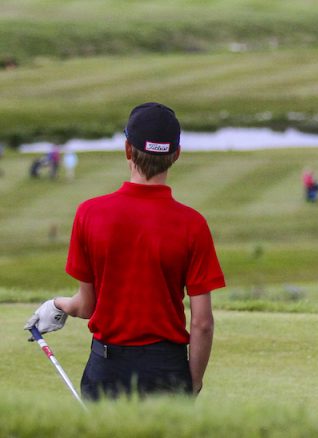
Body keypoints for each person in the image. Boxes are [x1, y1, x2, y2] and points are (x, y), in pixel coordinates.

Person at [24, 102, 225, 401]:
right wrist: (192, 384)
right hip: (167, 370)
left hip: (108, 368)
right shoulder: (192, 224)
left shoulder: (90, 213)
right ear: (176, 155)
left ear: (128, 149)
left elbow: (87, 306)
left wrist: (57, 305)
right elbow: (202, 323)